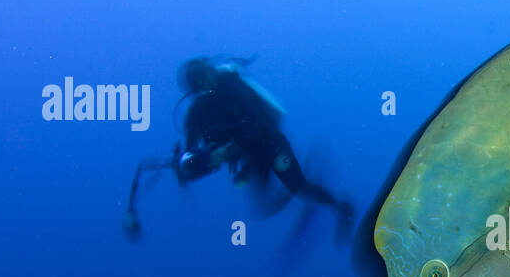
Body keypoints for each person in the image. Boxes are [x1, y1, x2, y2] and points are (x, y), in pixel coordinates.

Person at [123, 57, 354, 242]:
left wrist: (228, 150)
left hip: (271, 145)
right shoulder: (195, 117)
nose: (204, 84)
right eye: (197, 82)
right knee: (263, 207)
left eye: (204, 77)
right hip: (251, 160)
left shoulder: (231, 85)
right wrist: (187, 167)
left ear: (209, 72)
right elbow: (193, 158)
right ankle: (305, 194)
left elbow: (261, 122)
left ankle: (341, 207)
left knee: (298, 186)